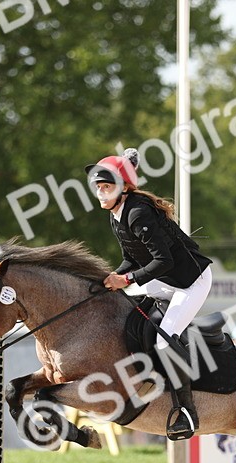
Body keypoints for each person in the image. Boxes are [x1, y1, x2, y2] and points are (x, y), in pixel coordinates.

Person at [85, 148, 214, 440]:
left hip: (189, 282)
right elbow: (131, 259)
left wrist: (127, 278)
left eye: (107, 187)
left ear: (124, 187)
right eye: (99, 188)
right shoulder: (117, 214)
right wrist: (111, 278)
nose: (102, 194)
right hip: (163, 279)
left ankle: (186, 410)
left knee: (164, 340)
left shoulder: (138, 211)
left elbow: (163, 261)